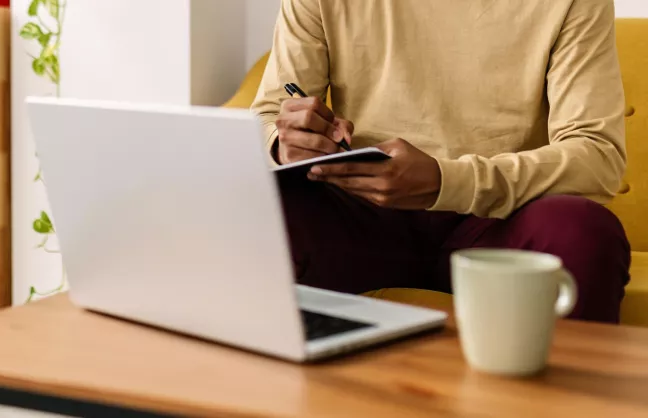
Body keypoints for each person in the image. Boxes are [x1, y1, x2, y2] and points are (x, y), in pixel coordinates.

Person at [252, 0, 630, 323]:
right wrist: (285, 144)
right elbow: (269, 115)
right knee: (255, 210)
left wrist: (444, 180)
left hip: (502, 218)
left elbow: (597, 155)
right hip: (363, 211)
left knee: (582, 233)